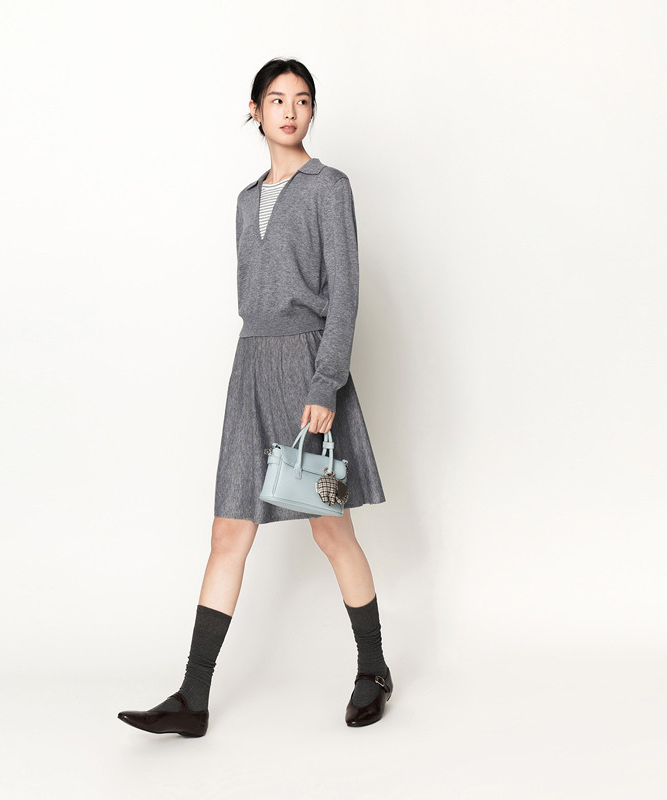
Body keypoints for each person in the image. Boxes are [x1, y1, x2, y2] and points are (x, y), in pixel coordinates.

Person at [118, 58, 389, 737]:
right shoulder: (245, 201)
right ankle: (193, 698)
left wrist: (324, 383)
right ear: (255, 110)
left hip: (307, 372)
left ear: (311, 111)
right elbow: (251, 294)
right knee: (227, 530)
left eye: (302, 100)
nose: (290, 111)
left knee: (331, 528)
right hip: (251, 371)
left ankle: (374, 668)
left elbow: (346, 295)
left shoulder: (329, 187)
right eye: (277, 99)